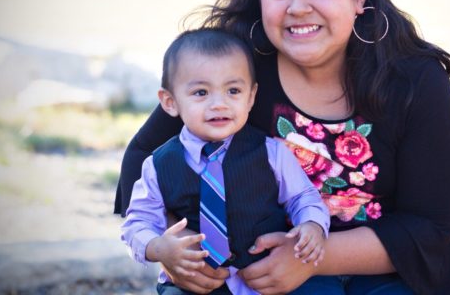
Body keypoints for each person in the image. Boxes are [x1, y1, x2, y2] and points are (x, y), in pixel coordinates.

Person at [116, 0, 450, 294]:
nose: (298, 7)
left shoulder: (415, 80)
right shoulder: (234, 71)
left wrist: (309, 259)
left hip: (389, 274)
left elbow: (432, 228)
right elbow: (143, 158)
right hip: (260, 280)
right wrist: (178, 251)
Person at [121, 28, 330, 295]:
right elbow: (137, 222)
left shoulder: (271, 153)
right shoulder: (158, 165)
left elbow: (303, 197)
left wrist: (312, 224)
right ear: (170, 102)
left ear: (251, 97)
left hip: (264, 279)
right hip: (192, 283)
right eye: (200, 93)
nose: (219, 104)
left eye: (233, 90)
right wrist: (159, 248)